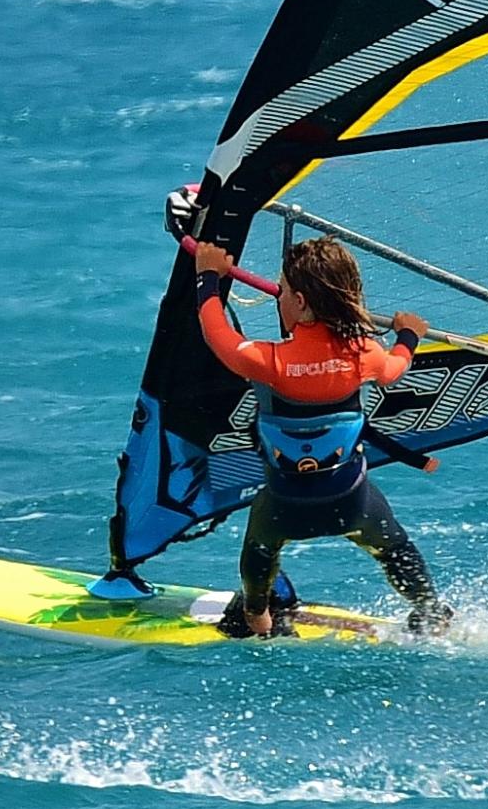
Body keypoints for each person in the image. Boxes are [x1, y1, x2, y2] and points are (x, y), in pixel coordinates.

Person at [183, 234, 450, 639]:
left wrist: (207, 277)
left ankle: (258, 615)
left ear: (302, 302)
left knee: (259, 546)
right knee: (394, 546)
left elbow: (215, 329)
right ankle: (430, 611)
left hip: (285, 507)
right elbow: (395, 368)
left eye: (285, 291)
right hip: (353, 502)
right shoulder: (364, 353)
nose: (280, 298)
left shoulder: (266, 360)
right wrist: (407, 334)